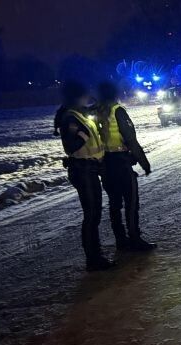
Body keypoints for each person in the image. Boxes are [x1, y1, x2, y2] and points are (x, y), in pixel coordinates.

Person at [53, 80, 113, 271]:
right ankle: (93, 259)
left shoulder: (79, 114)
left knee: (95, 213)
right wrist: (83, 135)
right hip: (82, 169)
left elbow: (93, 110)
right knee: (91, 214)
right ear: (77, 96)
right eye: (85, 94)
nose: (88, 97)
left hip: (91, 169)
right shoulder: (71, 118)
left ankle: (96, 256)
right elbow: (71, 146)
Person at [96, 81, 156, 251]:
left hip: (105, 164)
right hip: (121, 162)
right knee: (131, 203)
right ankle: (135, 239)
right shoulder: (117, 111)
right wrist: (144, 163)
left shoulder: (97, 112)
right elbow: (131, 139)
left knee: (114, 204)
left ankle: (121, 240)